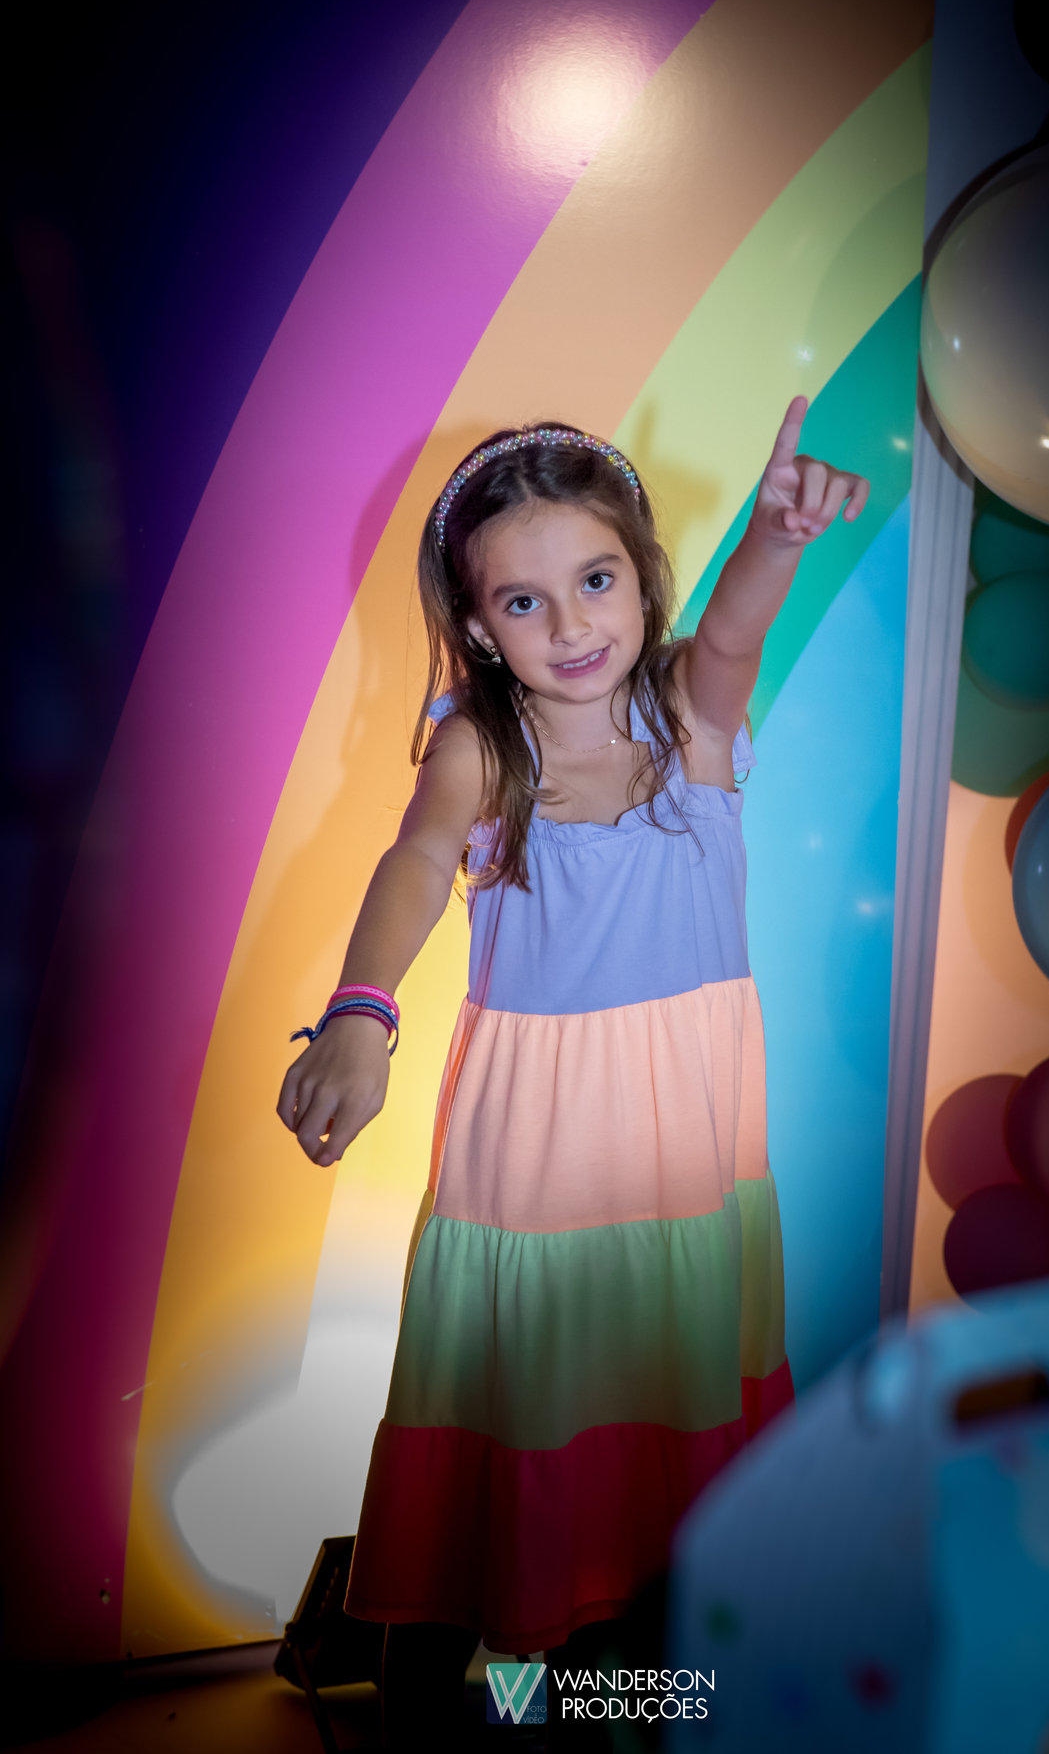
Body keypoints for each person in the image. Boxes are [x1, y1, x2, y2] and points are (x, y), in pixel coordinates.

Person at [278, 401, 869, 1745]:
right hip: (535, 1170)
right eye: (524, 601)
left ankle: (612, 1693)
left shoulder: (690, 717)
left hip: (682, 1166)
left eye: (597, 580)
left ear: (642, 576)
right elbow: (417, 860)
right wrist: (361, 1010)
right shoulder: (485, 747)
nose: (571, 625)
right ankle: (435, 1690)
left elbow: (734, 635)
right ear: (482, 627)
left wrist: (778, 535)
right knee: (505, 1445)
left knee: (656, 1447)